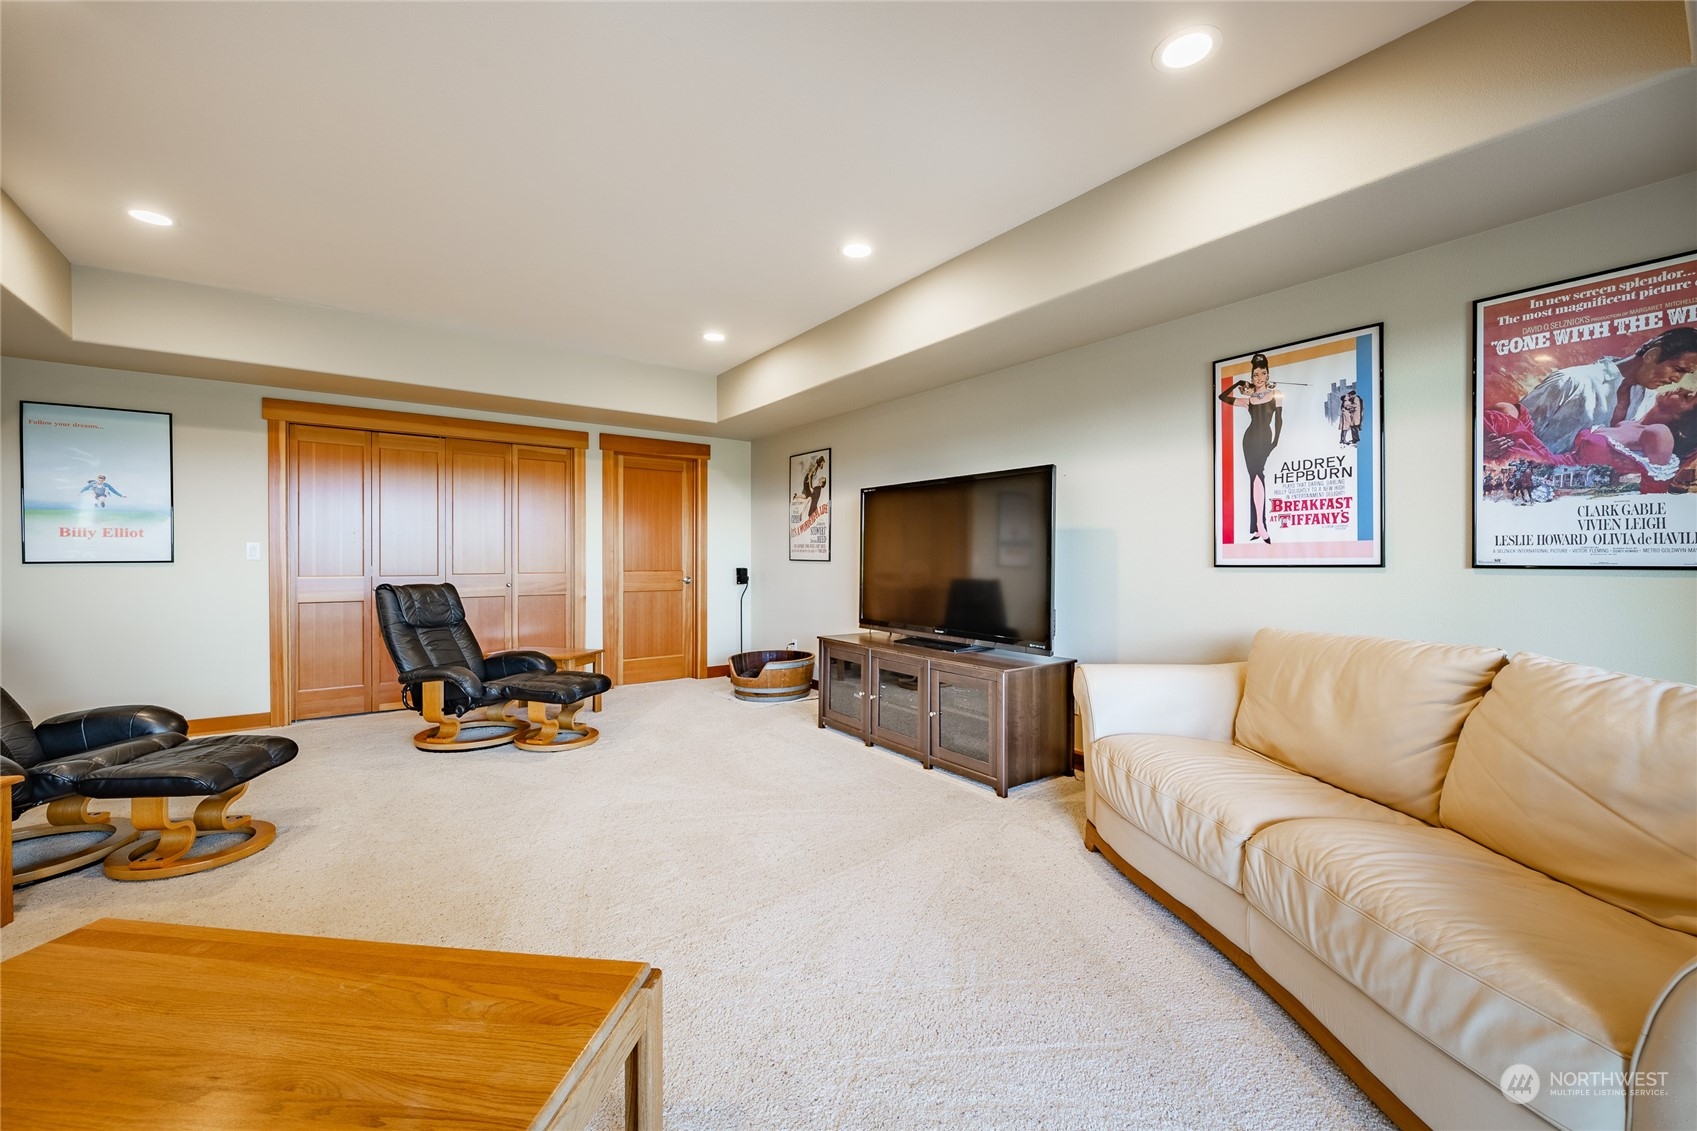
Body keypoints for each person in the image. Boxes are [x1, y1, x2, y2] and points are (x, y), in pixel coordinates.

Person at [1487, 326, 1697, 459]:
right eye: (1678, 369)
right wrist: (1485, 445)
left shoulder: (1649, 400)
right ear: (1652, 355)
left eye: (1685, 374)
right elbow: (1512, 428)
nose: (1677, 380)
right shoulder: (1572, 381)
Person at [1218, 353, 1283, 542]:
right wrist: (1238, 383)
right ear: (1252, 377)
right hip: (1249, 439)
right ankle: (1258, 527)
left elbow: (1279, 419)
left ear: (1268, 375)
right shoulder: (1249, 400)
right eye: (1255, 374)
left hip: (1265, 438)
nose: (1259, 377)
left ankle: (1260, 526)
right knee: (1253, 477)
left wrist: (1276, 441)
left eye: (1263, 373)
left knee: (1258, 476)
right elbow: (1223, 397)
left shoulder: (1275, 394)